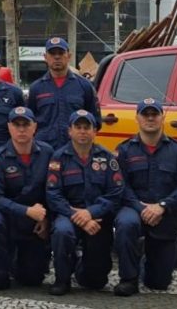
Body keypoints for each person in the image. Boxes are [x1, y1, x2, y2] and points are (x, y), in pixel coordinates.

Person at [113, 98, 177, 296]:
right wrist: (141, 208)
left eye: (154, 114)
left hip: (165, 213)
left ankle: (147, 264)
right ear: (137, 118)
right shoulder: (124, 150)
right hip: (134, 209)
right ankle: (129, 278)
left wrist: (162, 206)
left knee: (159, 283)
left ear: (162, 117)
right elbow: (119, 185)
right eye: (145, 114)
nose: (150, 118)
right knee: (125, 224)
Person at [45, 109, 123, 296]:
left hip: (97, 218)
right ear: (69, 131)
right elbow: (53, 194)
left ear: (94, 131)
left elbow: (116, 192)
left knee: (96, 281)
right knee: (62, 232)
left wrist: (91, 213)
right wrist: (77, 215)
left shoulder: (107, 157)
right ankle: (62, 279)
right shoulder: (58, 158)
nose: (82, 131)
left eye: (87, 127)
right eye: (78, 127)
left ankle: (80, 267)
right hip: (68, 215)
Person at [0, 106, 53, 293]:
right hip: (8, 218)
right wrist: (26, 211)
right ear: (9, 128)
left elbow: (54, 190)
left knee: (32, 279)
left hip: (35, 222)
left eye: (26, 125)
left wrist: (47, 218)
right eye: (17, 125)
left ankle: (19, 263)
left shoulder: (48, 154)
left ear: (34, 127)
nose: (21, 129)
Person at [27, 37, 100, 149]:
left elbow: (96, 121)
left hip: (75, 152)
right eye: (52, 53)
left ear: (69, 56)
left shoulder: (84, 86)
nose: (57, 57)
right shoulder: (36, 88)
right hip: (44, 152)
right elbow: (28, 122)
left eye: (61, 53)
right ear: (45, 57)